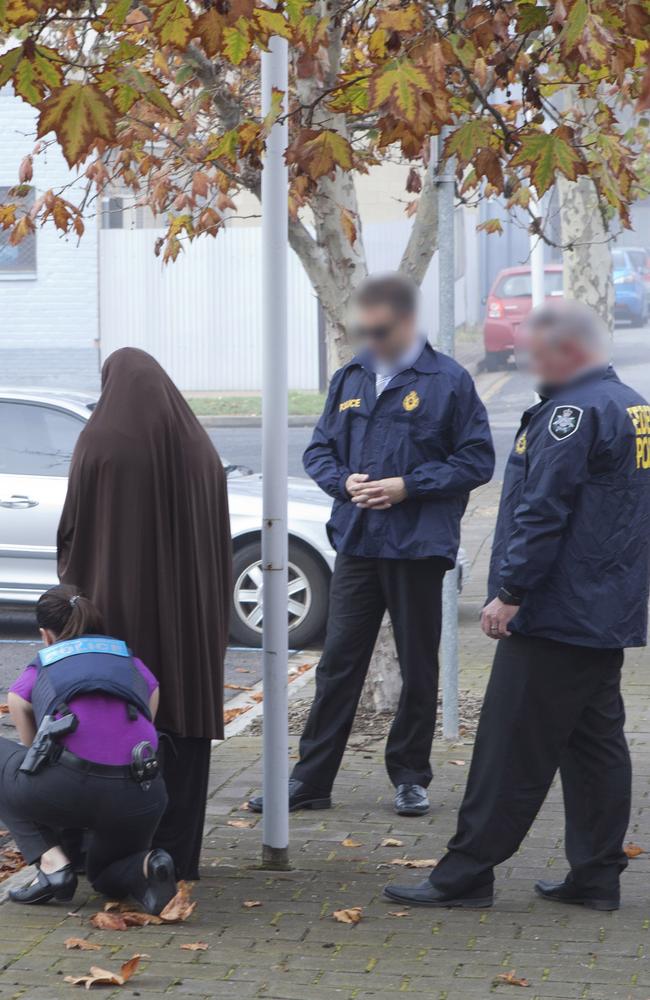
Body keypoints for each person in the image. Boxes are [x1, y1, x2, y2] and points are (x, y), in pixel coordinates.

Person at [385, 301, 650, 911]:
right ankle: (596, 875)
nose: (527, 362)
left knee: (508, 746)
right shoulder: (631, 405)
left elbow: (543, 511)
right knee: (595, 745)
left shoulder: (570, 414)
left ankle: (466, 872)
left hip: (557, 610)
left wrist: (510, 592)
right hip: (605, 607)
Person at [250, 272, 494, 817]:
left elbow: (477, 460)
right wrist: (344, 482)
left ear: (408, 322)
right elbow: (319, 451)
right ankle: (310, 782)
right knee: (338, 664)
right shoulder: (351, 376)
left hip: (416, 547)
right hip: (358, 543)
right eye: (365, 330)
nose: (371, 339)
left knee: (418, 666)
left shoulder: (448, 380)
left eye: (380, 329)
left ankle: (410, 776)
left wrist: (410, 485)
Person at [58, 348, 232, 881]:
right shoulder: (201, 449)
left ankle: (112, 861)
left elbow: (73, 534)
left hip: (122, 621)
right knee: (182, 725)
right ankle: (177, 858)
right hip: (189, 626)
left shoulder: (100, 443)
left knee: (114, 726)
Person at [1, 585, 175, 911]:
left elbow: (29, 750)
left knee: (9, 772)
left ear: (46, 635)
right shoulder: (132, 662)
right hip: (141, 793)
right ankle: (148, 865)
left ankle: (54, 866)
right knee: (106, 876)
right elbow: (145, 725)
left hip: (67, 786)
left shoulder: (43, 664)